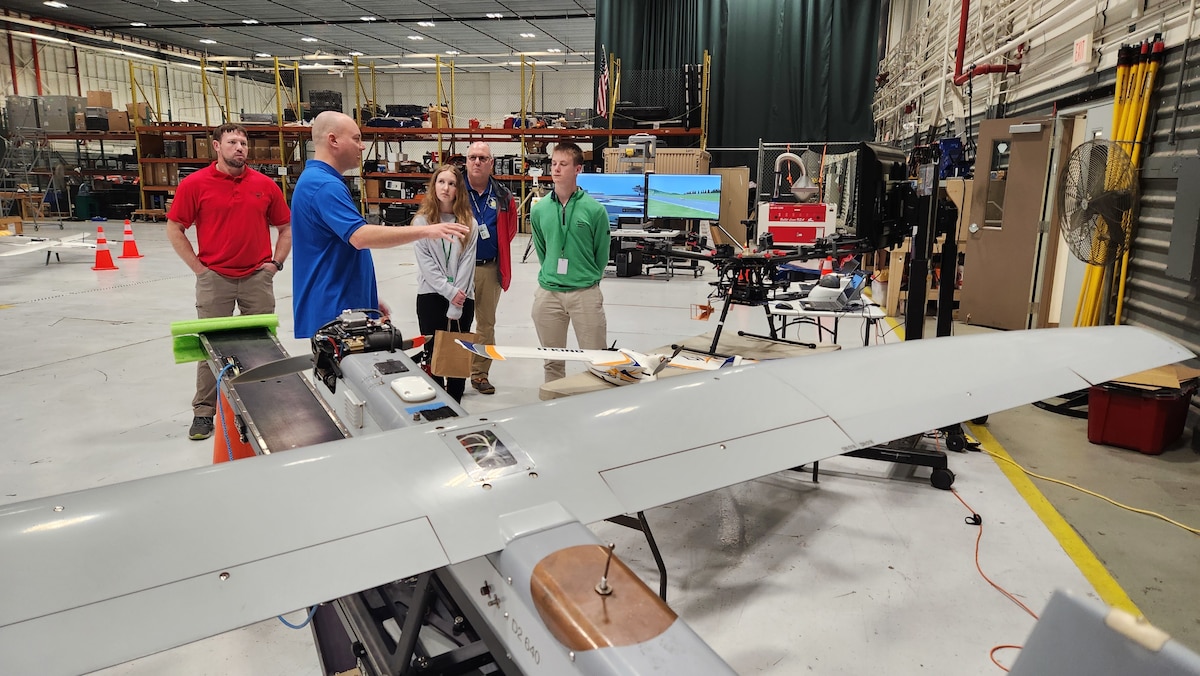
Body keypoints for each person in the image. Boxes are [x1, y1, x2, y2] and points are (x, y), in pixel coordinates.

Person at [290, 111, 469, 339]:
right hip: (335, 313)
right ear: (333, 140)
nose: (362, 146)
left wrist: (368, 299)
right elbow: (361, 237)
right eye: (356, 139)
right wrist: (426, 230)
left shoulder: (321, 180)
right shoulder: (323, 185)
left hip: (343, 305)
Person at [166, 122, 292, 441]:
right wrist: (200, 269)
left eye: (244, 143)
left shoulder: (265, 185)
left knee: (260, 347)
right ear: (216, 146)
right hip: (214, 279)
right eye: (233, 142)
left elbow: (286, 228)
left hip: (257, 278)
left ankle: (260, 405)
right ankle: (204, 412)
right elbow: (174, 228)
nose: (240, 148)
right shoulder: (195, 184)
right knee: (209, 349)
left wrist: (274, 265)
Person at [529, 141, 611, 392]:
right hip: (549, 293)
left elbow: (602, 254)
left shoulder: (595, 210)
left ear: (577, 169)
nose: (556, 169)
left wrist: (587, 277)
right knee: (552, 361)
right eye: (554, 163)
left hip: (584, 292)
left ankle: (596, 407)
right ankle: (555, 405)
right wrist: (552, 272)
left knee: (597, 360)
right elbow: (542, 250)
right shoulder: (539, 209)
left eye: (563, 164)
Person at [412, 166, 478, 402]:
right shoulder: (422, 223)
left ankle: (456, 405)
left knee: (457, 356)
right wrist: (448, 291)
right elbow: (427, 265)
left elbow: (468, 263)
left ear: (458, 189)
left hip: (462, 297)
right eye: (441, 182)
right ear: (434, 186)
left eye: (451, 183)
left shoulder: (469, 223)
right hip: (431, 297)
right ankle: (437, 405)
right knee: (433, 357)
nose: (446, 188)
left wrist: (457, 299)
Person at [463, 141, 518, 395]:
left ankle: (480, 373)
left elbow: (510, 230)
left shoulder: (503, 195)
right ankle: (451, 371)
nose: (477, 162)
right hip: (457, 269)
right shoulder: (453, 189)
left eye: (483, 158)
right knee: (454, 322)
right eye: (473, 157)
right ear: (466, 161)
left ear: (491, 163)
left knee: (486, 324)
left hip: (487, 268)